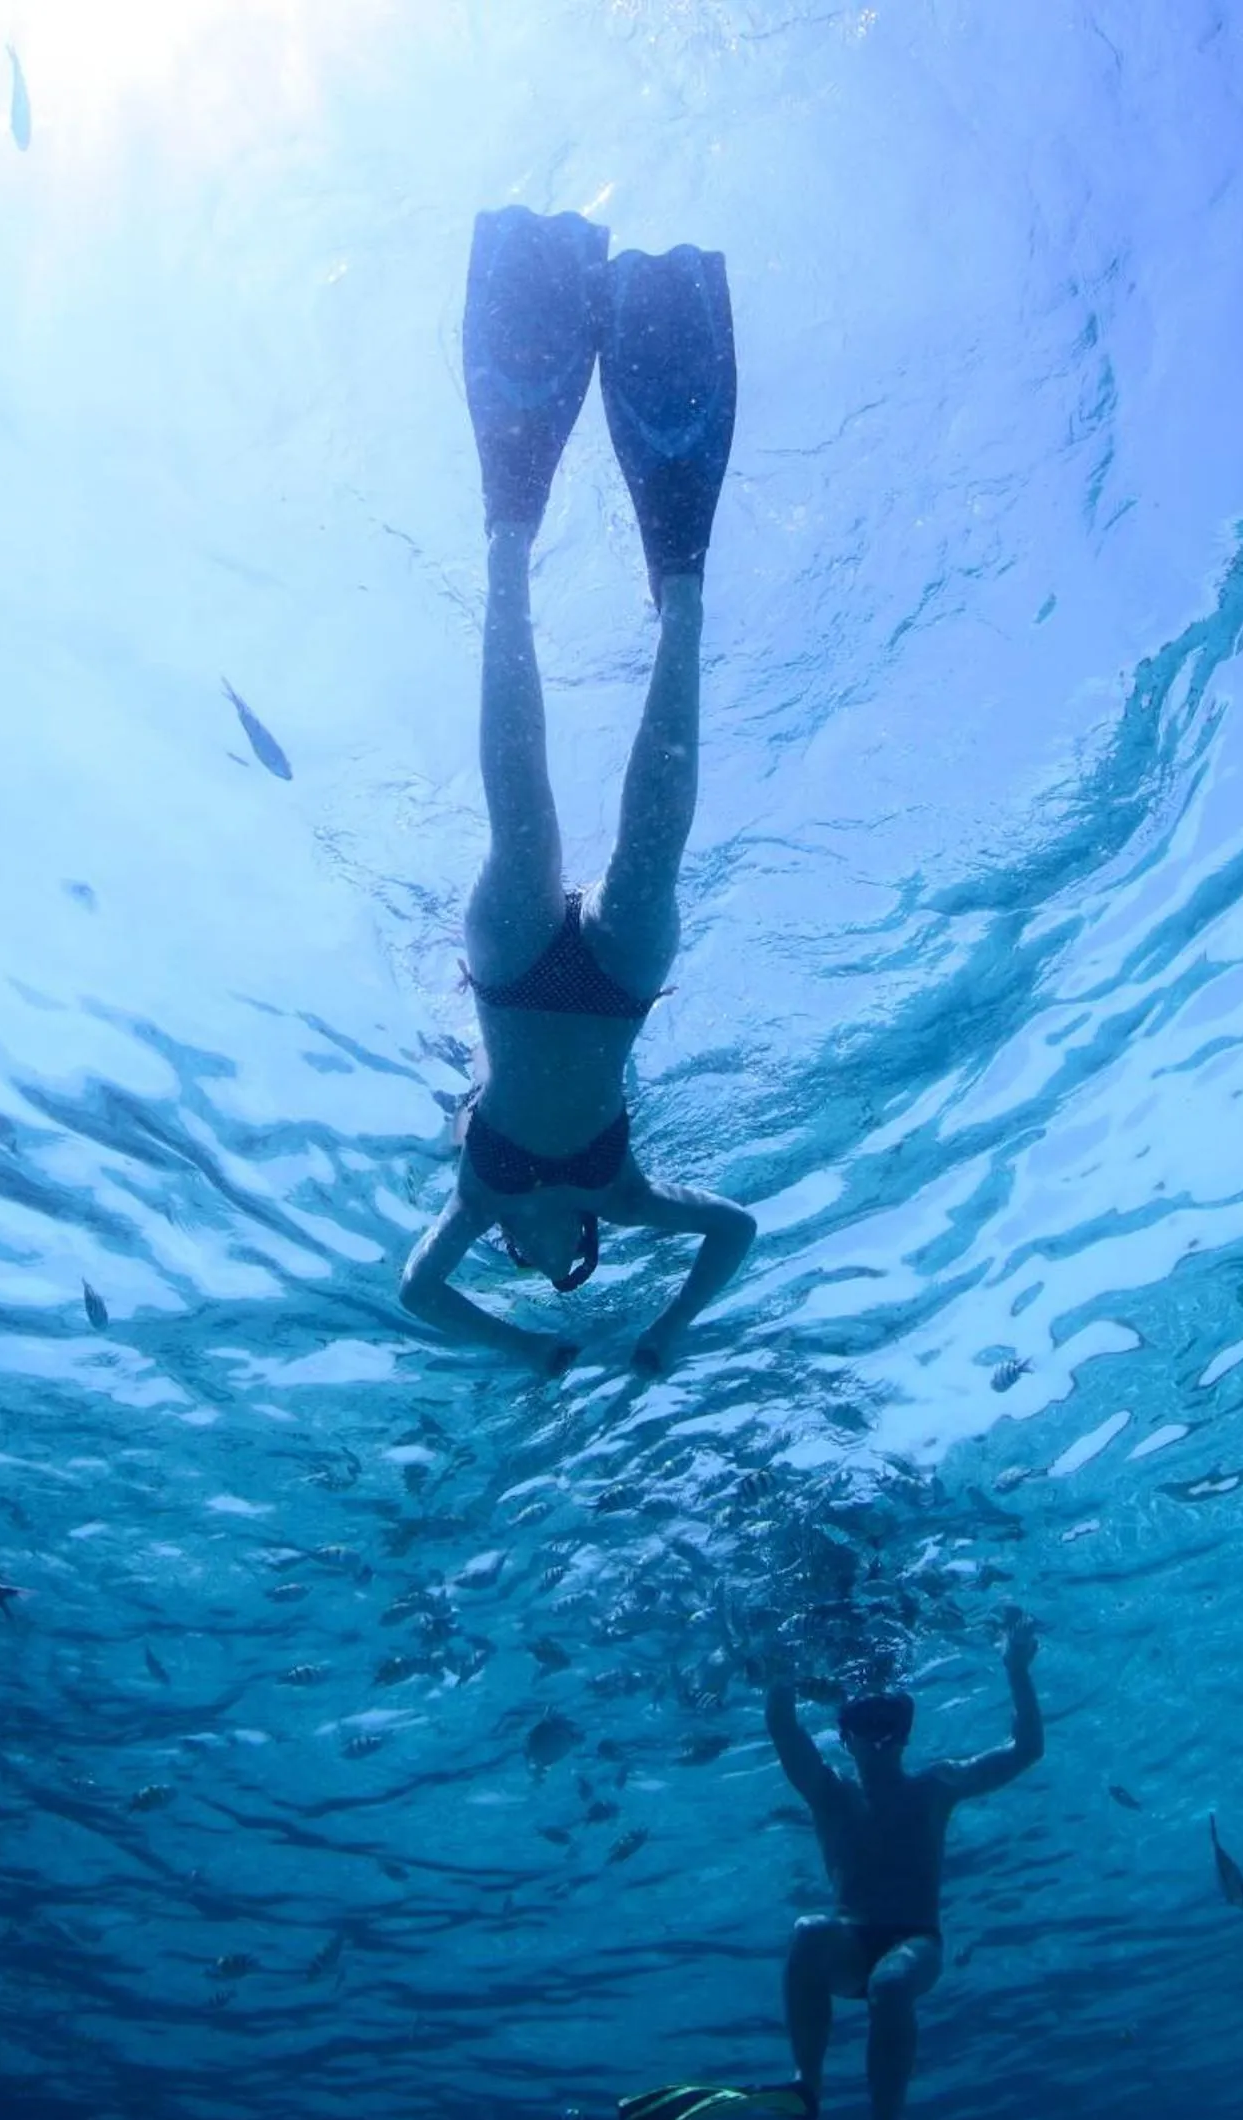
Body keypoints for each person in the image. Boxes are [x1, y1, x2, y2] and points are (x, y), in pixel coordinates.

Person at [398, 207, 756, 1375]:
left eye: (528, 1266)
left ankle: (509, 539)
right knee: (654, 855)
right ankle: (683, 591)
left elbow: (418, 1292)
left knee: (520, 826)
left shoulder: (479, 1198)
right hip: (612, 987)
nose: (539, 1256)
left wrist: (526, 1353)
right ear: (587, 1245)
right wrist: (667, 1328)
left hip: (508, 974)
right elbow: (735, 1230)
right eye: (562, 1269)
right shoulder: (627, 1194)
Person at [615, 1612, 1046, 2120]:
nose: (878, 1736)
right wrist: (779, 1669)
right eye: (865, 1724)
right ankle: (804, 2085)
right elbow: (784, 1729)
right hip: (849, 1940)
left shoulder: (936, 1787)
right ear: (844, 1736)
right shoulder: (828, 1793)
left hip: (915, 1942)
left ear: (906, 1733)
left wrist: (1016, 1669)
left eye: (890, 1723)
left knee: (891, 1984)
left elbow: (1025, 1750)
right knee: (809, 1930)